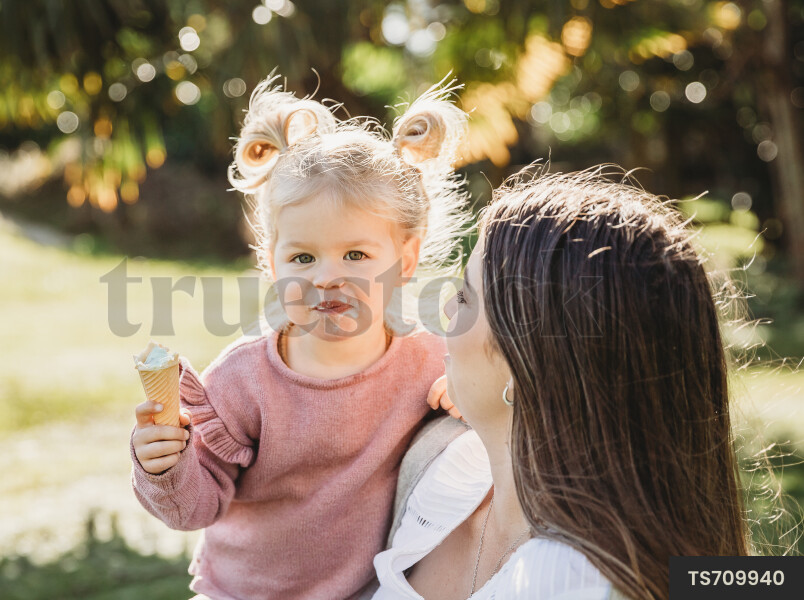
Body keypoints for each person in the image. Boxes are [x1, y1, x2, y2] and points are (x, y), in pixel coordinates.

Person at [129, 74, 470, 600]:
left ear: (405, 260)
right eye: (302, 258)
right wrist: (165, 466)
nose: (325, 277)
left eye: (355, 255)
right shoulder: (244, 379)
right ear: (271, 263)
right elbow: (196, 509)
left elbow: (507, 397)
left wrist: (467, 391)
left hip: (362, 591)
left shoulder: (430, 360)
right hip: (238, 593)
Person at [373, 167, 750, 600]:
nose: (445, 309)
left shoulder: (574, 580)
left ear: (524, 360)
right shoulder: (446, 473)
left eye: (463, 297)